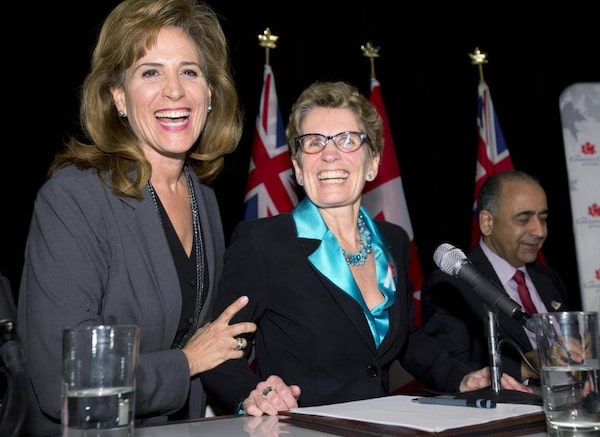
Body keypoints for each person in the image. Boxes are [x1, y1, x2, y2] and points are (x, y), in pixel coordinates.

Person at [200, 81, 532, 416]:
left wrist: (462, 377)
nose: (330, 154)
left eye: (347, 140)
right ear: (298, 169)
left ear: (372, 163)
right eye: (314, 142)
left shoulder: (394, 241)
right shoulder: (263, 242)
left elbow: (407, 340)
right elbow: (219, 349)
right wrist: (251, 394)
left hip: (381, 425)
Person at [16, 0, 256, 435]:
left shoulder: (203, 197)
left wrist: (253, 390)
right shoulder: (73, 197)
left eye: (189, 71)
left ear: (209, 94)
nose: (174, 91)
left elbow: (211, 340)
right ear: (119, 98)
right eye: (150, 72)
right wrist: (187, 363)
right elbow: (66, 379)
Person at [421, 170, 570, 385]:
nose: (539, 231)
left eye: (543, 219)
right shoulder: (453, 284)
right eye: (523, 219)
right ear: (487, 222)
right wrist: (523, 368)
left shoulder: (548, 278)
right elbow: (449, 369)